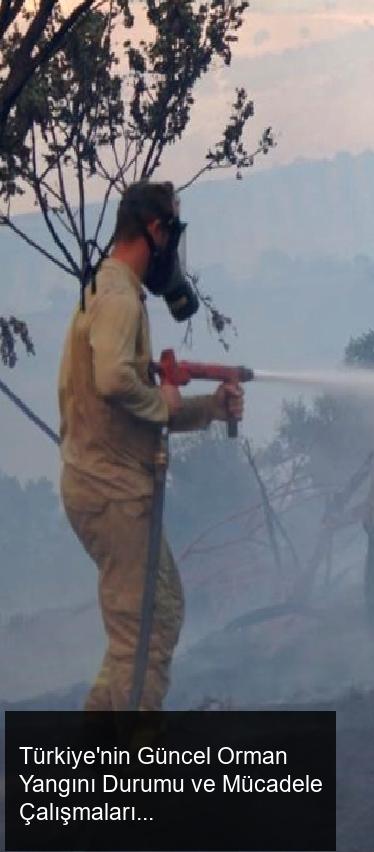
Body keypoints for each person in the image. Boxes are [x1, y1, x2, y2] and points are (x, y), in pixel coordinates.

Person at [57, 181, 245, 711]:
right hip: (111, 492)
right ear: (156, 230)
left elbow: (133, 403)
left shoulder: (109, 290)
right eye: (174, 234)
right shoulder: (118, 298)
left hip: (109, 488)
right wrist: (164, 402)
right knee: (145, 634)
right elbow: (119, 382)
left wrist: (209, 407)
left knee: (148, 624)